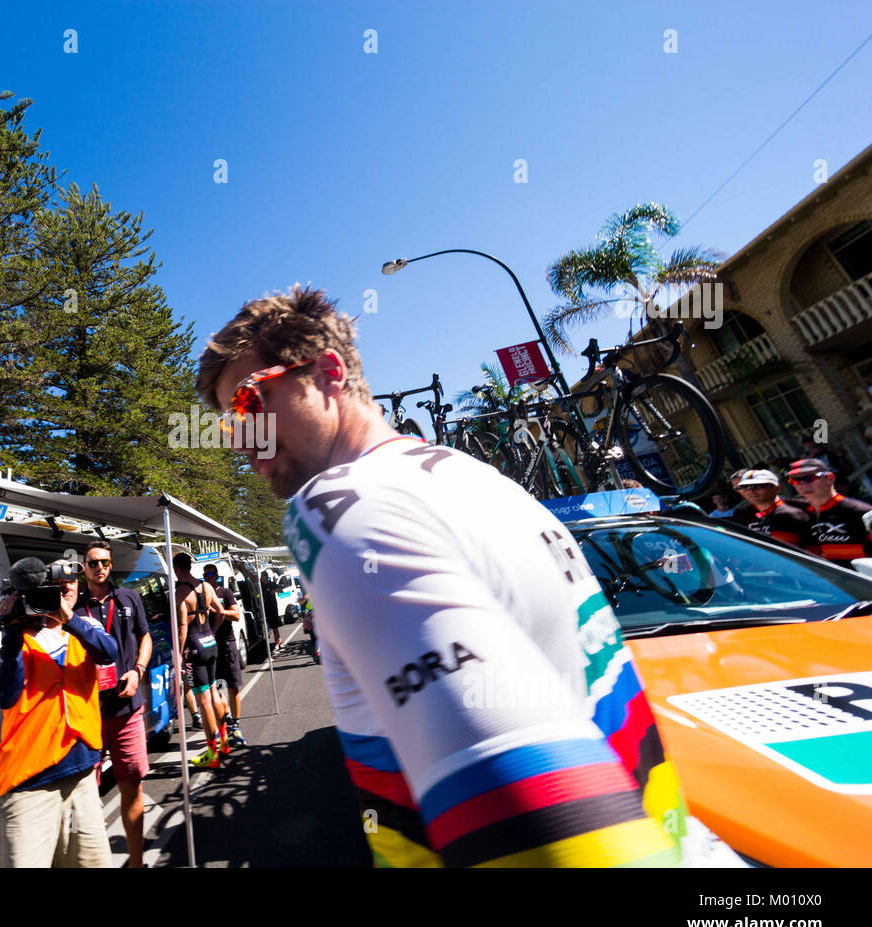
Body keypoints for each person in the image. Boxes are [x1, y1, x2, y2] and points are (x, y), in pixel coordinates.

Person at [195, 284, 700, 868]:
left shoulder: (338, 507)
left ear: (329, 371)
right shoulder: (473, 478)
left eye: (249, 404)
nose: (243, 439)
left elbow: (549, 832)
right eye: (229, 425)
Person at [0, 557, 119, 868]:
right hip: (29, 784)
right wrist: (11, 633)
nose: (64, 590)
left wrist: (69, 619)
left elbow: (109, 652)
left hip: (82, 778)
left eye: (70, 583)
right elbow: (5, 696)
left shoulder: (85, 628)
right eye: (56, 587)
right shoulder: (20, 637)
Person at [81, 540, 154, 868]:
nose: (100, 568)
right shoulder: (73, 602)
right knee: (83, 798)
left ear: (112, 565)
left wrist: (138, 671)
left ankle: (136, 863)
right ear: (84, 565)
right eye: (94, 562)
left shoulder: (129, 597)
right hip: (87, 714)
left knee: (131, 786)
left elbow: (145, 636)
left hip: (126, 709)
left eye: (106, 563)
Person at [173, 552, 228, 769]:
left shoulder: (181, 592)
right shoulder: (206, 586)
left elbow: (182, 627)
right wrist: (212, 631)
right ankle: (224, 743)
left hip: (194, 650)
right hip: (209, 643)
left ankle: (212, 753)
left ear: (177, 569)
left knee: (204, 701)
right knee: (214, 693)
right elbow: (221, 611)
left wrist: (178, 654)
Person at [786, 458, 872, 567]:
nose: (802, 484)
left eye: (809, 478)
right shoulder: (803, 516)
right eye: (795, 480)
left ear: (830, 478)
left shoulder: (860, 511)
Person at [203, 564, 245, 747]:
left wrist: (218, 611)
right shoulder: (202, 594)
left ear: (217, 576)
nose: (207, 577)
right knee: (215, 688)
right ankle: (226, 716)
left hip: (227, 644)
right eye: (205, 574)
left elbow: (236, 616)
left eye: (210, 574)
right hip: (210, 647)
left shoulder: (225, 593)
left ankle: (235, 724)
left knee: (233, 686)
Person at [727, 469, 810, 547]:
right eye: (741, 487)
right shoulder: (741, 515)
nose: (748, 491)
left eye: (756, 485)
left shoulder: (799, 506)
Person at [260, 573, 283, 654]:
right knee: (270, 627)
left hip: (273, 607)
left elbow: (281, 590)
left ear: (266, 577)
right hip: (265, 608)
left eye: (262, 576)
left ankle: (277, 643)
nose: (261, 578)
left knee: (274, 626)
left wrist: (275, 590)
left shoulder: (272, 583)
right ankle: (279, 640)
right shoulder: (260, 585)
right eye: (261, 577)